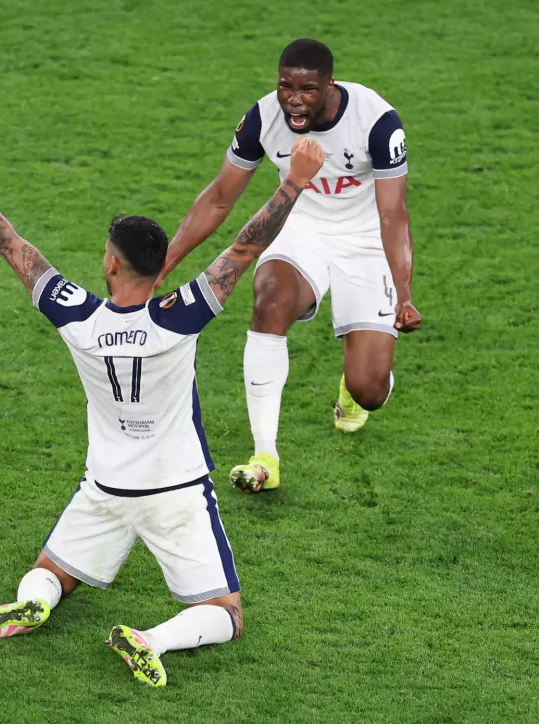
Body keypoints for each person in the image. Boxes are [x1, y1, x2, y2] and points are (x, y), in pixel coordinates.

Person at [0, 121, 324, 686]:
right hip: (176, 492)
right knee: (227, 613)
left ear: (112, 265)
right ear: (160, 266)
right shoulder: (181, 315)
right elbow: (245, 245)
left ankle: (33, 604)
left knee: (52, 572)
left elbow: (8, 241)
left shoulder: (78, 317)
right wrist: (293, 184)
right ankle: (151, 640)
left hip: (105, 488)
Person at [157, 38, 422, 494]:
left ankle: (351, 390)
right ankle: (265, 456)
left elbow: (392, 215)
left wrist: (404, 294)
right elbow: (220, 197)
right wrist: (163, 267)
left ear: (329, 86)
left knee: (370, 390)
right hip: (300, 232)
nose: (294, 99)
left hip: (364, 242)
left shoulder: (377, 122)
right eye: (285, 86)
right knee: (270, 297)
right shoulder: (262, 118)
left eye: (307, 89)